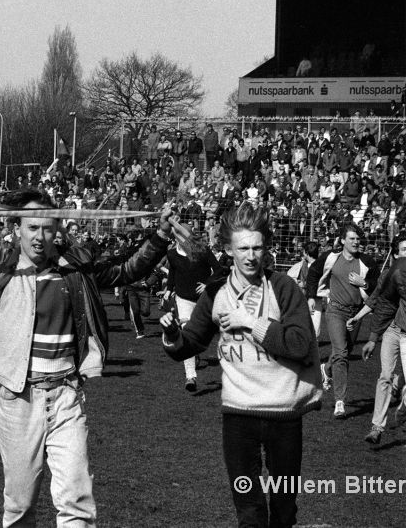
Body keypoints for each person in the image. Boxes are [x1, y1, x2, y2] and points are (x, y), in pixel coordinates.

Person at [0, 190, 180, 527]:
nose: (39, 237)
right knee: (20, 508)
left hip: (66, 397)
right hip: (18, 401)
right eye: (32, 228)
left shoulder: (75, 267)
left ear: (57, 229)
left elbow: (126, 270)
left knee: (77, 503)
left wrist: (160, 236)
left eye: (47, 228)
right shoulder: (4, 265)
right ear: (17, 228)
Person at [160, 202, 322, 528]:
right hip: (238, 418)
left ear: (267, 247)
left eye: (257, 247)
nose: (251, 255)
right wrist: (172, 334)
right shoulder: (218, 292)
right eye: (243, 248)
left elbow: (302, 345)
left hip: (284, 416)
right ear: (228, 250)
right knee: (249, 514)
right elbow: (189, 345)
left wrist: (251, 322)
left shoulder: (283, 288)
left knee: (284, 512)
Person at [306, 223, 379, 418]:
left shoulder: (367, 262)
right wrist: (312, 296)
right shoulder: (331, 258)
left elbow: (377, 286)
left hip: (356, 315)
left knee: (345, 350)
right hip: (335, 311)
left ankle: (326, 369)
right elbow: (313, 273)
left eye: (358, 239)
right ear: (343, 240)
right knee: (340, 353)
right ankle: (340, 401)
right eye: (352, 238)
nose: (356, 242)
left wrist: (364, 283)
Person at [346, 234, 406, 444]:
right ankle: (376, 427)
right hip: (392, 330)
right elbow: (378, 301)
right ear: (395, 254)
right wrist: (371, 336)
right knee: (385, 376)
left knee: (398, 379)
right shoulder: (389, 275)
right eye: (404, 250)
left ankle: (401, 389)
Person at [163, 223, 224, 391]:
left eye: (183, 236)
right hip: (184, 299)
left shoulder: (202, 250)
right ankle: (190, 377)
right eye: (177, 236)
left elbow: (219, 270)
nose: (180, 239)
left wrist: (208, 284)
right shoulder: (172, 254)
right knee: (185, 332)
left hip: (205, 299)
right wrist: (168, 290)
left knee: (218, 330)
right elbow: (173, 273)